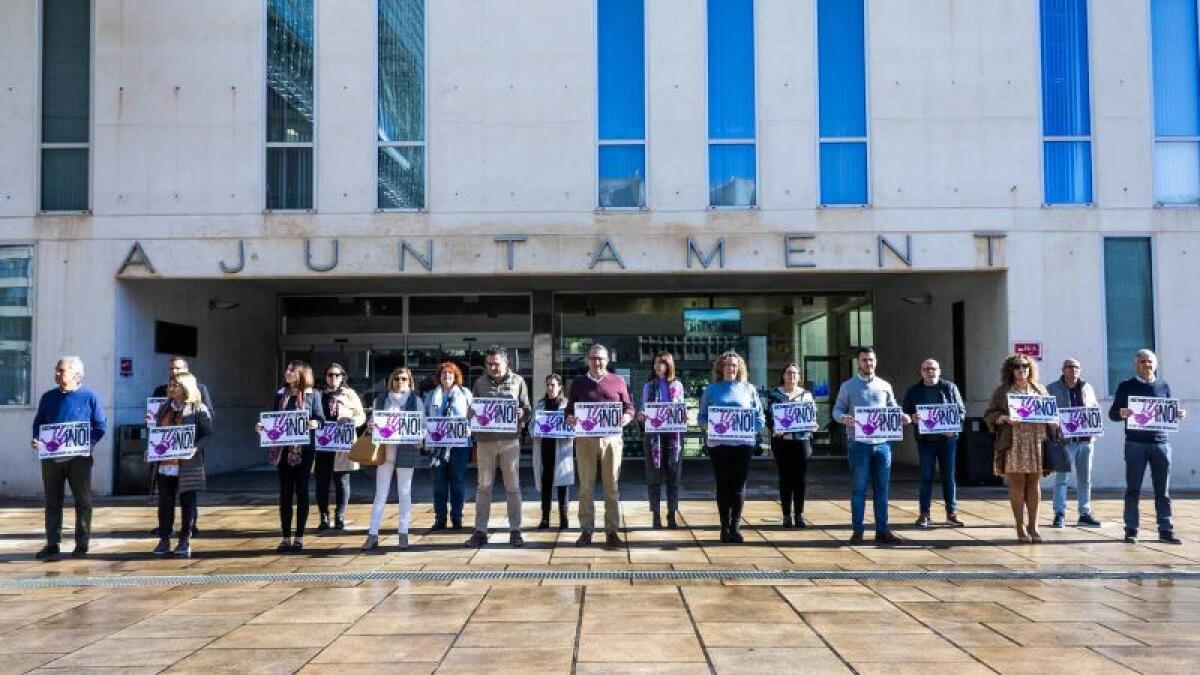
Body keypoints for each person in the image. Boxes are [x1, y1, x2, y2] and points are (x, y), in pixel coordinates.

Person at [31, 356, 107, 560]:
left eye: (61, 370)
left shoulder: (90, 396)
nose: (57, 373)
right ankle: (52, 543)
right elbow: (39, 422)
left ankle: (82, 544)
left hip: (79, 459)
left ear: (75, 373)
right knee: (52, 501)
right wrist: (36, 439)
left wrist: (87, 444)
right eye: (56, 370)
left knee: (83, 501)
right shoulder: (48, 397)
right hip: (52, 459)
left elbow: (100, 426)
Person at [1110, 349, 1189, 544]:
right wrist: (1122, 413)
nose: (1147, 365)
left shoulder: (1164, 386)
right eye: (1143, 362)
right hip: (1135, 443)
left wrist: (1178, 414)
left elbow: (1170, 412)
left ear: (1156, 364)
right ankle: (1131, 529)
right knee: (1133, 488)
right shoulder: (1126, 386)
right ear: (1136, 365)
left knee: (1163, 490)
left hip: (1161, 443)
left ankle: (1165, 530)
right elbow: (1113, 414)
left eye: (1150, 362)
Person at [833, 346, 909, 545]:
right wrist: (843, 418)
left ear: (876, 361)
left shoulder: (885, 385)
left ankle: (882, 530)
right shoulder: (848, 386)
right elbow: (837, 409)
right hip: (859, 444)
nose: (869, 363)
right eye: (865, 360)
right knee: (859, 489)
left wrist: (902, 416)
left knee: (882, 489)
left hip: (883, 444)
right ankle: (857, 531)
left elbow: (892, 407)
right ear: (858, 362)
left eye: (871, 360)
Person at [566, 344, 635, 547]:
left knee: (611, 487)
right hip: (585, 441)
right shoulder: (578, 383)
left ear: (607, 360)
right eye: (594, 358)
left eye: (601, 359)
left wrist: (626, 417)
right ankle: (586, 531)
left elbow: (630, 406)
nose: (597, 362)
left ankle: (612, 531)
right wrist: (570, 417)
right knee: (585, 488)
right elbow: (569, 408)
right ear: (588, 360)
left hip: (611, 440)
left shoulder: (618, 381)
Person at [984, 354, 1057, 544]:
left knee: (1034, 484)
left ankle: (1034, 526)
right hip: (1014, 441)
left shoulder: (1039, 390)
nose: (1021, 369)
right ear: (1011, 370)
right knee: (1017, 484)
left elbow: (1050, 413)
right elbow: (990, 415)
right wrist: (1005, 418)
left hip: (1036, 440)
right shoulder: (1003, 392)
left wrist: (1053, 422)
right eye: (1017, 366)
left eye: (1025, 366)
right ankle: (1020, 526)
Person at [465, 346, 531, 548]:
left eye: (497, 364)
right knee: (483, 486)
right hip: (485, 441)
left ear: (506, 363)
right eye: (489, 364)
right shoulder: (479, 382)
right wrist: (472, 415)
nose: (493, 367)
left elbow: (527, 409)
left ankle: (515, 530)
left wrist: (523, 414)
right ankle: (480, 531)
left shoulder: (518, 381)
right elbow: (472, 410)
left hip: (510, 441)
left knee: (513, 487)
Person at [257, 360, 325, 553]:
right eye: (287, 370)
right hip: (283, 449)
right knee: (285, 493)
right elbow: (273, 419)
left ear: (302, 374)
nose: (287, 373)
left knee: (301, 491)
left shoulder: (313, 395)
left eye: (292, 370)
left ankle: (299, 537)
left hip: (304, 449)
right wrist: (262, 428)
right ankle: (285, 537)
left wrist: (314, 424)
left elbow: (321, 419)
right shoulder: (280, 395)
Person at [698, 351, 766, 543]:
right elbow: (701, 417)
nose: (731, 368)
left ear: (740, 368)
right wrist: (709, 426)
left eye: (734, 365)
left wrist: (751, 429)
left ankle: (735, 527)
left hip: (743, 445)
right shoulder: (711, 390)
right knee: (723, 485)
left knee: (739, 485)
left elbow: (759, 417)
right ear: (721, 367)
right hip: (719, 445)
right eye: (727, 364)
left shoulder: (749, 389)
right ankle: (724, 527)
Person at [151, 372, 212, 558]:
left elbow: (207, 433)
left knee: (187, 502)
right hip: (165, 464)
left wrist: (195, 447)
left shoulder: (197, 408)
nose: (170, 388)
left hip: (187, 464)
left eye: (175, 385)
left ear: (186, 387)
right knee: (165, 503)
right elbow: (157, 432)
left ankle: (184, 539)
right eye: (170, 384)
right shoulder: (164, 408)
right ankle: (164, 539)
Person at [363, 367, 424, 551]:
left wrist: (421, 436)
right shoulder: (381, 399)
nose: (400, 381)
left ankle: (403, 533)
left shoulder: (416, 400)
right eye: (397, 378)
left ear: (409, 381)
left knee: (404, 493)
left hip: (406, 450)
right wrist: (371, 425)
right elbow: (373, 422)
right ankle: (373, 534)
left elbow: (422, 424)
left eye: (404, 378)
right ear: (391, 380)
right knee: (380, 494)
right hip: (385, 451)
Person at [902, 358, 966, 529]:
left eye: (933, 369)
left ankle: (951, 514)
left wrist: (953, 429)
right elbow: (905, 413)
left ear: (939, 370)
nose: (930, 372)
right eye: (926, 369)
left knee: (948, 477)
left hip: (947, 440)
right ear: (921, 371)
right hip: (926, 442)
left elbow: (961, 412)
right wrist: (911, 418)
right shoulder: (914, 391)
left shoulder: (949, 388)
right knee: (926, 477)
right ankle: (924, 514)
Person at [1047, 358, 1101, 528]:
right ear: (1063, 370)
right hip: (1064, 442)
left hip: (1086, 441)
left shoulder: (1087, 387)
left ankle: (1084, 513)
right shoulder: (1052, 389)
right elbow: (1047, 412)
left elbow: (1094, 409)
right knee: (1062, 478)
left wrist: (1096, 428)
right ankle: (1059, 514)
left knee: (1085, 478)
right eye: (1069, 367)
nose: (1073, 370)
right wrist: (1053, 427)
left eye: (1076, 367)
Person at [315, 363, 366, 532]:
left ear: (342, 376)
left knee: (342, 481)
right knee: (322, 482)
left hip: (342, 443)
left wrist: (353, 422)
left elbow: (361, 416)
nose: (333, 378)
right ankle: (323, 516)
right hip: (322, 443)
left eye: (337, 375)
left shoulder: (350, 394)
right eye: (330, 375)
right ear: (325, 376)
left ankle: (340, 516)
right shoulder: (317, 394)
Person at [424, 362, 473, 530]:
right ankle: (440, 518)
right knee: (439, 483)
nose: (447, 377)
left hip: (459, 446)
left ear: (455, 377)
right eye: (444, 374)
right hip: (437, 446)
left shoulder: (465, 393)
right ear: (439, 377)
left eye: (450, 374)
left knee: (457, 482)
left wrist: (469, 429)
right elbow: (425, 418)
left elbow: (473, 416)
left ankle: (457, 517)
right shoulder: (431, 395)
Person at [765, 362, 814, 528]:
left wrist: (813, 424)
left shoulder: (806, 395)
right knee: (785, 478)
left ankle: (799, 515)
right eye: (789, 373)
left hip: (802, 441)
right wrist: (774, 428)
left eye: (795, 373)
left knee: (800, 479)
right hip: (781, 442)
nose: (792, 376)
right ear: (783, 375)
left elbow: (811, 415)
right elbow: (768, 416)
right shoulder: (774, 394)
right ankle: (786, 515)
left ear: (799, 377)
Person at [639, 352, 685, 529]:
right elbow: (645, 408)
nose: (658, 366)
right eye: (656, 363)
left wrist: (684, 415)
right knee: (654, 477)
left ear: (669, 366)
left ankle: (672, 514)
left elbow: (680, 407)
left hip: (674, 438)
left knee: (674, 477)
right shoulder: (648, 386)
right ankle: (656, 515)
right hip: (654, 438)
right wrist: (642, 415)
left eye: (662, 363)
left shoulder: (678, 386)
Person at [534, 374, 575, 529]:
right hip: (545, 448)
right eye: (548, 385)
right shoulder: (540, 404)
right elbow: (532, 426)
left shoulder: (567, 405)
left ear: (560, 387)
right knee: (546, 483)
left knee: (563, 484)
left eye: (553, 385)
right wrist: (535, 432)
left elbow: (573, 426)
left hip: (561, 449)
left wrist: (570, 429)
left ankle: (564, 518)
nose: (550, 388)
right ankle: (545, 518)